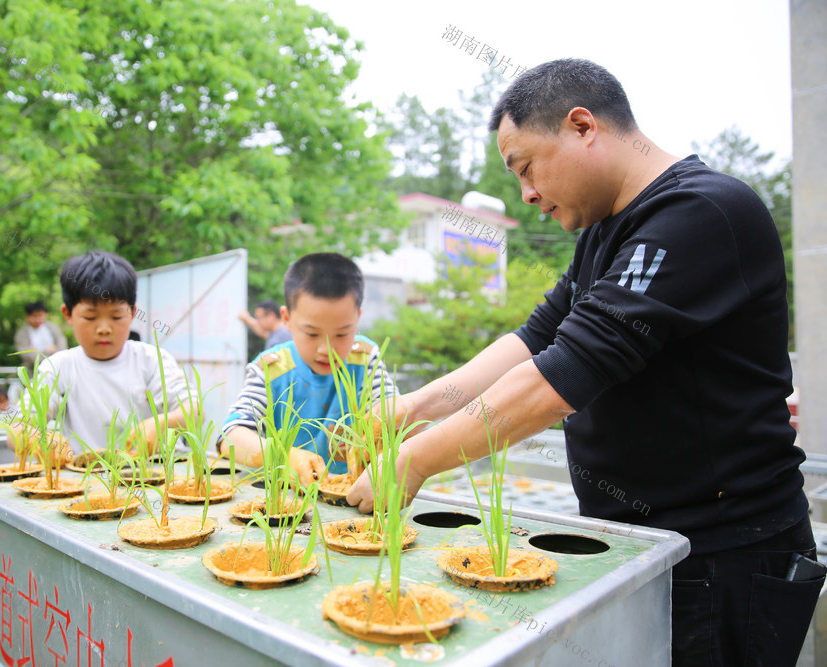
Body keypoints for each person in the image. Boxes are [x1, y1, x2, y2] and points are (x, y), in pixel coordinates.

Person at [346, 58, 820, 666]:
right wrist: (410, 408)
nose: (528, 194)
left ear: (582, 126)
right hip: (643, 541)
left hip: (723, 551)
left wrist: (413, 461)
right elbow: (531, 342)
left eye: (526, 168)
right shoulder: (603, 235)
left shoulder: (701, 214)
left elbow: (560, 377)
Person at [220, 253, 398, 485]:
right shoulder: (270, 368)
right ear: (287, 318)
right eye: (312, 334)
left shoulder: (365, 358)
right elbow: (230, 437)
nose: (326, 349)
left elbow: (396, 416)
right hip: (288, 502)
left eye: (342, 333)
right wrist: (282, 455)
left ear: (358, 318)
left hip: (355, 496)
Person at [10, 251, 190, 456]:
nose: (104, 329)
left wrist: (162, 423)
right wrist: (39, 439)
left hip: (153, 478)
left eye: (116, 316)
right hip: (86, 480)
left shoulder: (151, 360)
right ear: (68, 314)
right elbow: (16, 430)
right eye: (90, 317)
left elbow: (193, 410)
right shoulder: (58, 367)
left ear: (132, 313)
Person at [14, 301, 68, 377]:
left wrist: (37, 352)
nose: (38, 319)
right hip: (33, 372)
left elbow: (62, 346)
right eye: (34, 316)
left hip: (56, 370)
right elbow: (25, 354)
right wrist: (48, 351)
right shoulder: (22, 333)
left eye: (40, 316)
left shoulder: (52, 328)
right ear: (28, 316)